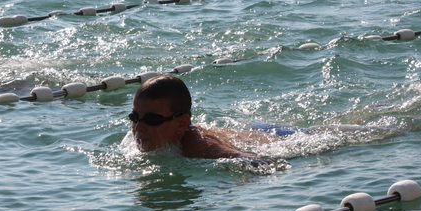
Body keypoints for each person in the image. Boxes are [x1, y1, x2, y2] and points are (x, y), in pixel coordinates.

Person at [128, 75, 300, 159]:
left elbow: (255, 162)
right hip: (246, 132)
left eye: (152, 120)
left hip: (276, 136)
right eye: (134, 117)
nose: (139, 127)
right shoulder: (136, 141)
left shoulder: (197, 146)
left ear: (181, 124)